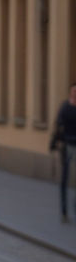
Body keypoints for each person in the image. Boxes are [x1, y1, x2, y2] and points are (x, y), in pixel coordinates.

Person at [53, 83, 76, 223]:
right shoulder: (65, 107)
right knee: (65, 178)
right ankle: (64, 211)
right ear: (70, 92)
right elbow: (59, 124)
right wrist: (58, 139)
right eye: (74, 91)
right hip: (67, 145)